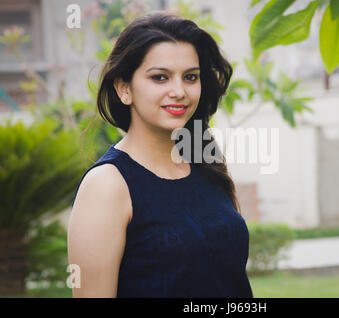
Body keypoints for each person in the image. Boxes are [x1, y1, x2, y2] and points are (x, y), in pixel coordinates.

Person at [67, 12, 253, 298]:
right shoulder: (107, 185)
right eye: (160, 77)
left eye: (190, 77)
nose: (179, 91)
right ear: (124, 89)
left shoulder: (204, 162)